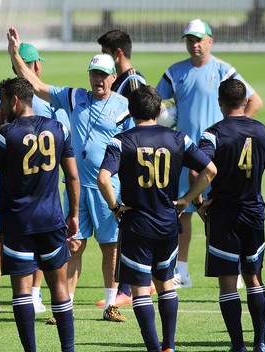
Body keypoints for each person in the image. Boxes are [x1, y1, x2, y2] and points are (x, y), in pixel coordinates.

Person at [8, 27, 135, 322]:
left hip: (107, 188)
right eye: (94, 74)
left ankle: (110, 305)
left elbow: (132, 147)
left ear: (113, 77)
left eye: (103, 75)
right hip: (77, 186)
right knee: (73, 245)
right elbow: (35, 84)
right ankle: (65, 305)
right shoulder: (75, 96)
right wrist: (15, 52)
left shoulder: (123, 107)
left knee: (111, 246)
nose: (98, 80)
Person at [98, 85, 216, 352]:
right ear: (159, 110)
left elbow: (103, 178)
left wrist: (115, 207)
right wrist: (187, 199)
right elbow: (210, 170)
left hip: (137, 224)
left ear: (131, 112)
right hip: (168, 223)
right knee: (166, 286)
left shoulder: (120, 141)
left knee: (140, 289)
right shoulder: (178, 138)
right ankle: (169, 349)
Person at [0, 77, 86, 352]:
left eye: (3, 101)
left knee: (22, 291)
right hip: (52, 220)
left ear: (14, 101)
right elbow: (73, 177)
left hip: (17, 224)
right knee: (60, 287)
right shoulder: (58, 128)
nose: (1, 107)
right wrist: (73, 213)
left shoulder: (6, 134)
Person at [156, 19, 263, 289]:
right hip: (185, 153)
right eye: (190, 39)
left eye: (199, 39)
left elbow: (255, 100)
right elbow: (157, 103)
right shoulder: (175, 72)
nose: (194, 44)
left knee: (225, 208)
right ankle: (182, 271)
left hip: (219, 153)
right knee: (184, 211)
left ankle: (235, 268)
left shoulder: (225, 71)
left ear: (210, 41)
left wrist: (236, 129)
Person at [0, 42, 65, 316]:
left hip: (7, 175)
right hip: (44, 181)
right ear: (34, 65)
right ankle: (37, 295)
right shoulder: (47, 97)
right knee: (41, 235)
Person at [196, 78, 265, 352]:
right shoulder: (262, 131)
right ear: (244, 101)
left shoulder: (212, 134)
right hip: (254, 211)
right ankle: (261, 342)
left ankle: (238, 346)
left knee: (228, 282)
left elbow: (202, 168)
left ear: (220, 102)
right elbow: (261, 166)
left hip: (224, 213)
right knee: (254, 277)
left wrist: (198, 201)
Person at [96, 29, 152, 307]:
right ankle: (136, 283)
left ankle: (128, 288)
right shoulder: (125, 80)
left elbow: (138, 120)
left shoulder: (132, 82)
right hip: (124, 160)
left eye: (105, 53)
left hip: (130, 162)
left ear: (116, 53)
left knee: (128, 222)